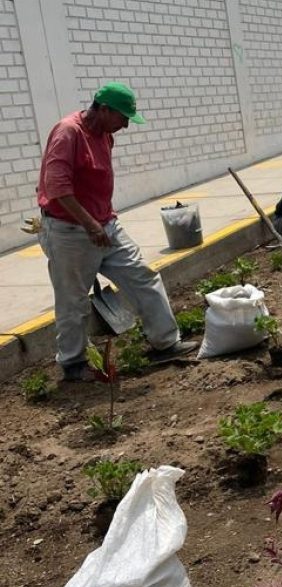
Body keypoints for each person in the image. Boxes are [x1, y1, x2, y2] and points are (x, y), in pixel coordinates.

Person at [36, 82, 197, 381]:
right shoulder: (67, 132)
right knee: (73, 300)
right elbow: (57, 188)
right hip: (71, 230)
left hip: (105, 224)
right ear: (104, 109)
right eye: (122, 117)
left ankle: (166, 342)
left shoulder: (105, 134)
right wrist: (90, 224)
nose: (125, 124)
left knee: (142, 275)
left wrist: (101, 221)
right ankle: (73, 364)